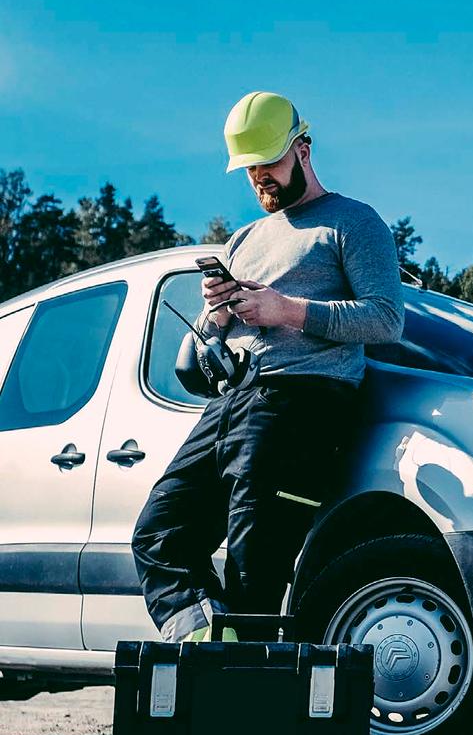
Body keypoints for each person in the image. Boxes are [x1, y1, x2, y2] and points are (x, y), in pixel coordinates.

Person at [131, 91, 406, 642]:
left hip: (304, 401)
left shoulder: (353, 222)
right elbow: (222, 332)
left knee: (255, 565)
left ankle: (246, 696)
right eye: (251, 170)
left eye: (269, 165)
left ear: (303, 149)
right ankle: (209, 641)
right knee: (160, 532)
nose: (261, 180)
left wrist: (287, 310)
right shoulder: (244, 239)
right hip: (236, 399)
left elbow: (385, 320)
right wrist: (216, 314)